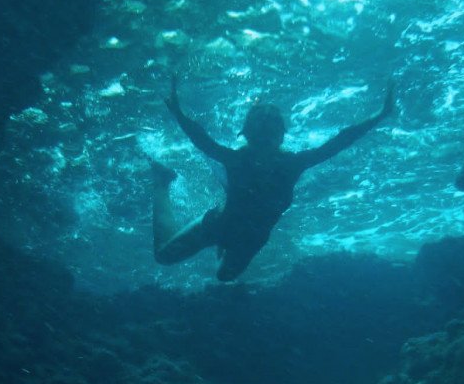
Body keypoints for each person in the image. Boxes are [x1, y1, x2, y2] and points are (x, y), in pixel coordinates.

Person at [150, 76, 395, 281]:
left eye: (268, 138)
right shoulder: (240, 160)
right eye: (259, 138)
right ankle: (162, 181)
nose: (263, 146)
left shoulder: (290, 164)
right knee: (163, 256)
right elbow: (202, 141)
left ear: (280, 137)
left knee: (224, 276)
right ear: (246, 136)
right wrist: (178, 114)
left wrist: (380, 115)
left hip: (250, 240)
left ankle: (219, 246)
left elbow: (340, 141)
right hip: (219, 224)